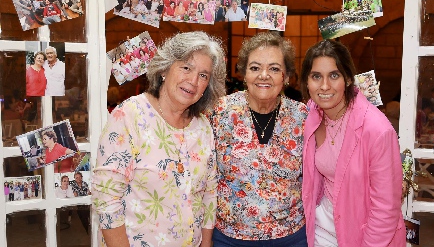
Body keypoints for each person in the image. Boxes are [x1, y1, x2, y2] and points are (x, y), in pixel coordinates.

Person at [92, 31, 226, 247]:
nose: (193, 80)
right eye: (186, 68)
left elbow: (209, 192)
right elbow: (106, 198)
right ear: (164, 68)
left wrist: (206, 244)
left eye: (203, 75)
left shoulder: (202, 127)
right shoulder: (130, 115)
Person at [299, 39, 405, 246]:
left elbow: (385, 208)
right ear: (306, 81)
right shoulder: (310, 113)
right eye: (316, 76)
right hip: (321, 227)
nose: (324, 86)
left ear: (348, 79)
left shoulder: (377, 130)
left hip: (363, 231)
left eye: (334, 75)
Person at [207, 32, 308, 246]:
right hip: (230, 238)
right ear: (244, 74)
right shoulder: (219, 112)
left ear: (286, 76)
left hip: (290, 237)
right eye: (255, 68)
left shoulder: (303, 116)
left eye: (274, 68)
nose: (264, 75)